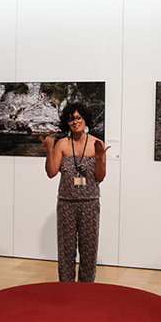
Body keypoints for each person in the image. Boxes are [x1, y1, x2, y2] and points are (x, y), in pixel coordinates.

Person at [40, 102, 109, 282]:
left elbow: (100, 177)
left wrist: (100, 158)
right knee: (66, 251)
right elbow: (51, 172)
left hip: (90, 203)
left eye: (78, 117)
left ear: (85, 119)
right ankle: (66, 291)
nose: (75, 122)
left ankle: (86, 291)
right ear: (66, 122)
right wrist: (48, 150)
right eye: (71, 119)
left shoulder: (97, 143)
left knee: (89, 250)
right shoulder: (62, 144)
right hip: (66, 203)